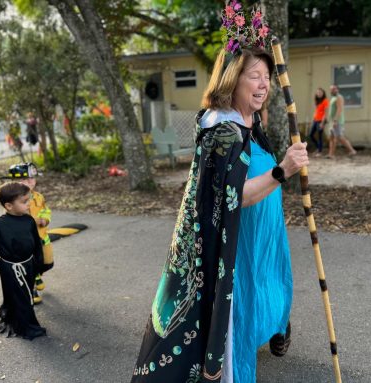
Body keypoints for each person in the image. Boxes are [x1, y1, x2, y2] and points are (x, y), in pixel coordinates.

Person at [131, 4, 308, 382]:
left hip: (261, 234)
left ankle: (276, 328)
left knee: (271, 286)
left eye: (267, 77)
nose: (264, 85)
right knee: (235, 314)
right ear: (232, 79)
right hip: (233, 245)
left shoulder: (249, 120)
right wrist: (283, 171)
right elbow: (232, 197)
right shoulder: (221, 131)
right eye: (254, 77)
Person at [0, 182, 46, 340]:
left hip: (28, 264)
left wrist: (38, 263)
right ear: (8, 205)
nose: (28, 204)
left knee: (25, 295)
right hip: (11, 268)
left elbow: (36, 242)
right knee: (22, 298)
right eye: (24, 202)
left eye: (28, 200)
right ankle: (27, 327)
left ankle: (17, 319)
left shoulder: (28, 220)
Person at [6, 163, 54, 304]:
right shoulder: (13, 201)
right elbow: (13, 219)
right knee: (29, 266)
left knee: (47, 262)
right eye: (24, 179)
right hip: (26, 241)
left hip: (42, 237)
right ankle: (32, 290)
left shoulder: (38, 196)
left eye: (31, 178)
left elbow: (45, 210)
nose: (29, 182)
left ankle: (38, 274)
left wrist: (45, 218)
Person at [326, 84, 357, 159]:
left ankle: (352, 151)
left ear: (337, 89)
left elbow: (340, 109)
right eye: (331, 89)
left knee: (340, 137)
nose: (332, 90)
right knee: (331, 137)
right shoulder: (333, 98)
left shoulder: (339, 97)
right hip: (332, 121)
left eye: (334, 89)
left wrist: (335, 120)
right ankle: (331, 154)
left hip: (337, 121)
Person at [309, 88, 329, 156]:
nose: (319, 93)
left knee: (320, 136)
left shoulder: (325, 101)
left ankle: (320, 152)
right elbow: (316, 111)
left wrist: (322, 123)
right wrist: (313, 120)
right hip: (315, 120)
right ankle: (318, 148)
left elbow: (325, 113)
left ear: (323, 93)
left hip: (321, 121)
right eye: (318, 92)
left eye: (321, 92)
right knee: (311, 135)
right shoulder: (317, 101)